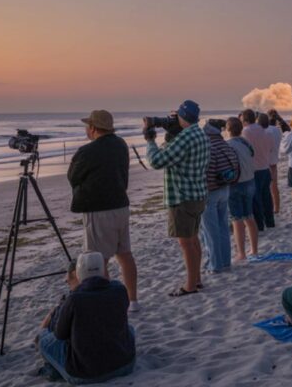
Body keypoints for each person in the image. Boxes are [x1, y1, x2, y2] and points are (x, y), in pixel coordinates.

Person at [67, 109, 139, 311]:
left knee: (98, 260)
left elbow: (73, 176)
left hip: (99, 209)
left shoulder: (88, 151)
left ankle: (104, 305)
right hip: (120, 205)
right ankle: (133, 300)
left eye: (87, 126)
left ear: (92, 128)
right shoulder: (120, 144)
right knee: (125, 254)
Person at [38, 252, 135, 384]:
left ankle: (53, 369)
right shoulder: (119, 289)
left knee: (43, 338)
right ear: (103, 269)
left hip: (85, 375)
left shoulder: (74, 299)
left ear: (78, 274)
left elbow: (60, 335)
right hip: (126, 365)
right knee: (129, 329)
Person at [144, 100, 209, 297]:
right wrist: (171, 136)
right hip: (197, 193)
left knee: (186, 243)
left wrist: (150, 140)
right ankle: (196, 279)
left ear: (182, 116)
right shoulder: (200, 133)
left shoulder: (186, 137)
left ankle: (190, 285)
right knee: (193, 239)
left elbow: (157, 161)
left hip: (182, 195)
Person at [200, 120, 240, 274]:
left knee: (210, 231)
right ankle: (225, 261)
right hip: (225, 189)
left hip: (211, 192)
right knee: (223, 227)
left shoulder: (208, 147)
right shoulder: (225, 145)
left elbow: (205, 170)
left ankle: (215, 265)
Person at [225, 117, 260, 261]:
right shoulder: (246, 143)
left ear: (228, 130)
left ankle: (241, 253)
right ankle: (254, 250)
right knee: (249, 216)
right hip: (250, 180)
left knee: (237, 219)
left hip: (236, 183)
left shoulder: (227, 145)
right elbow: (252, 155)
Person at [241, 109, 276, 231]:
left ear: (245, 120)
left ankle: (260, 224)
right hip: (265, 168)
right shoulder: (267, 132)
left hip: (254, 170)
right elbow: (271, 148)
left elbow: (244, 150)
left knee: (256, 199)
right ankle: (270, 221)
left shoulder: (246, 131)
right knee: (266, 196)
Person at [265, 110, 285, 214]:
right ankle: (276, 208)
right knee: (274, 186)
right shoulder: (278, 130)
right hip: (274, 160)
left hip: (265, 162)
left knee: (265, 188)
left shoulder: (266, 130)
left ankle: (269, 208)